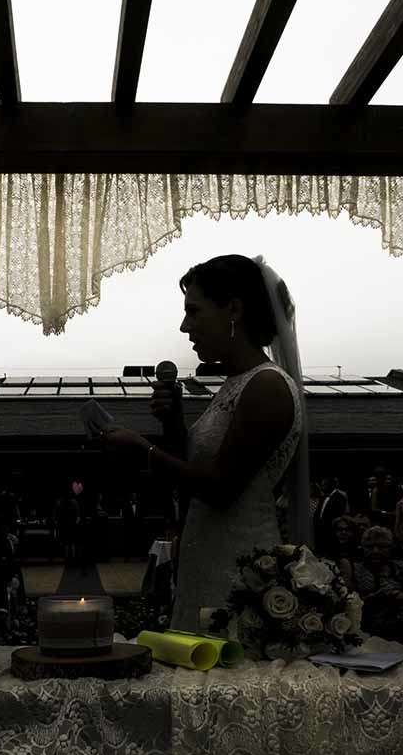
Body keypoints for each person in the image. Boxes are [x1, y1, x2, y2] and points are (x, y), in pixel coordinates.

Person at [101, 254, 305, 631]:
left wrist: (140, 448)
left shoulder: (267, 387)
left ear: (233, 310)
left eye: (193, 312)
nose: (184, 326)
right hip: (206, 556)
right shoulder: (234, 385)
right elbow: (195, 470)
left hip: (240, 566)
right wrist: (173, 423)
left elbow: (219, 488)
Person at [352, 526, 403, 647]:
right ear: (363, 548)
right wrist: (388, 594)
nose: (375, 551)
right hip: (375, 629)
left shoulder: (400, 567)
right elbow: (354, 603)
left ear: (390, 548)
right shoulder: (356, 570)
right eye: (370, 546)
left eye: (381, 546)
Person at [315, 477, 349, 557]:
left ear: (331, 485)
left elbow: (339, 515)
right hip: (321, 530)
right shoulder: (323, 497)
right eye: (322, 485)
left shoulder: (340, 497)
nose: (322, 487)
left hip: (331, 531)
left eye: (324, 485)